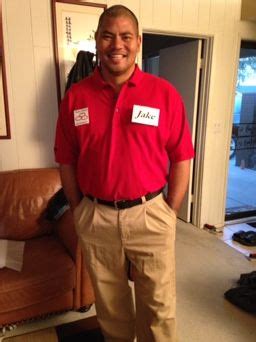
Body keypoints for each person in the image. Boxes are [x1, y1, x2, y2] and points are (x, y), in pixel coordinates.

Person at [54, 4, 194, 342]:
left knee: (159, 308)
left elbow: (182, 156)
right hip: (96, 216)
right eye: (108, 36)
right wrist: (78, 209)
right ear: (98, 41)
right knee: (111, 307)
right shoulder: (76, 97)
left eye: (125, 36)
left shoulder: (164, 95)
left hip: (150, 215)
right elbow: (66, 158)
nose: (117, 44)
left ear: (138, 42)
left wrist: (168, 211)